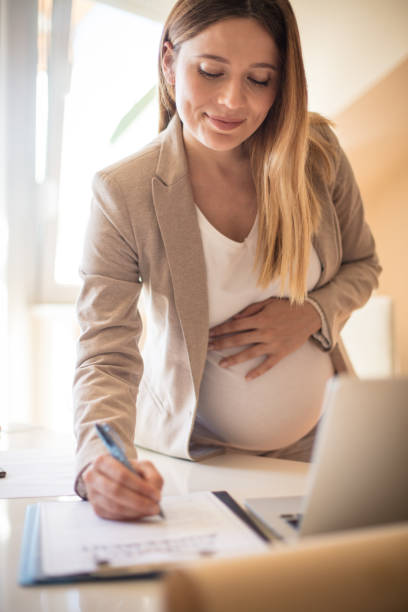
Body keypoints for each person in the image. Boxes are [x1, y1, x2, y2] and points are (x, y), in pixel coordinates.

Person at [73, 0, 381, 521]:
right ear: (169, 62)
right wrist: (99, 462)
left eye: (260, 79)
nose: (232, 101)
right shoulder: (123, 191)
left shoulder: (317, 154)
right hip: (198, 461)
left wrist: (312, 314)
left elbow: (363, 265)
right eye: (211, 71)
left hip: (318, 448)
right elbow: (105, 352)